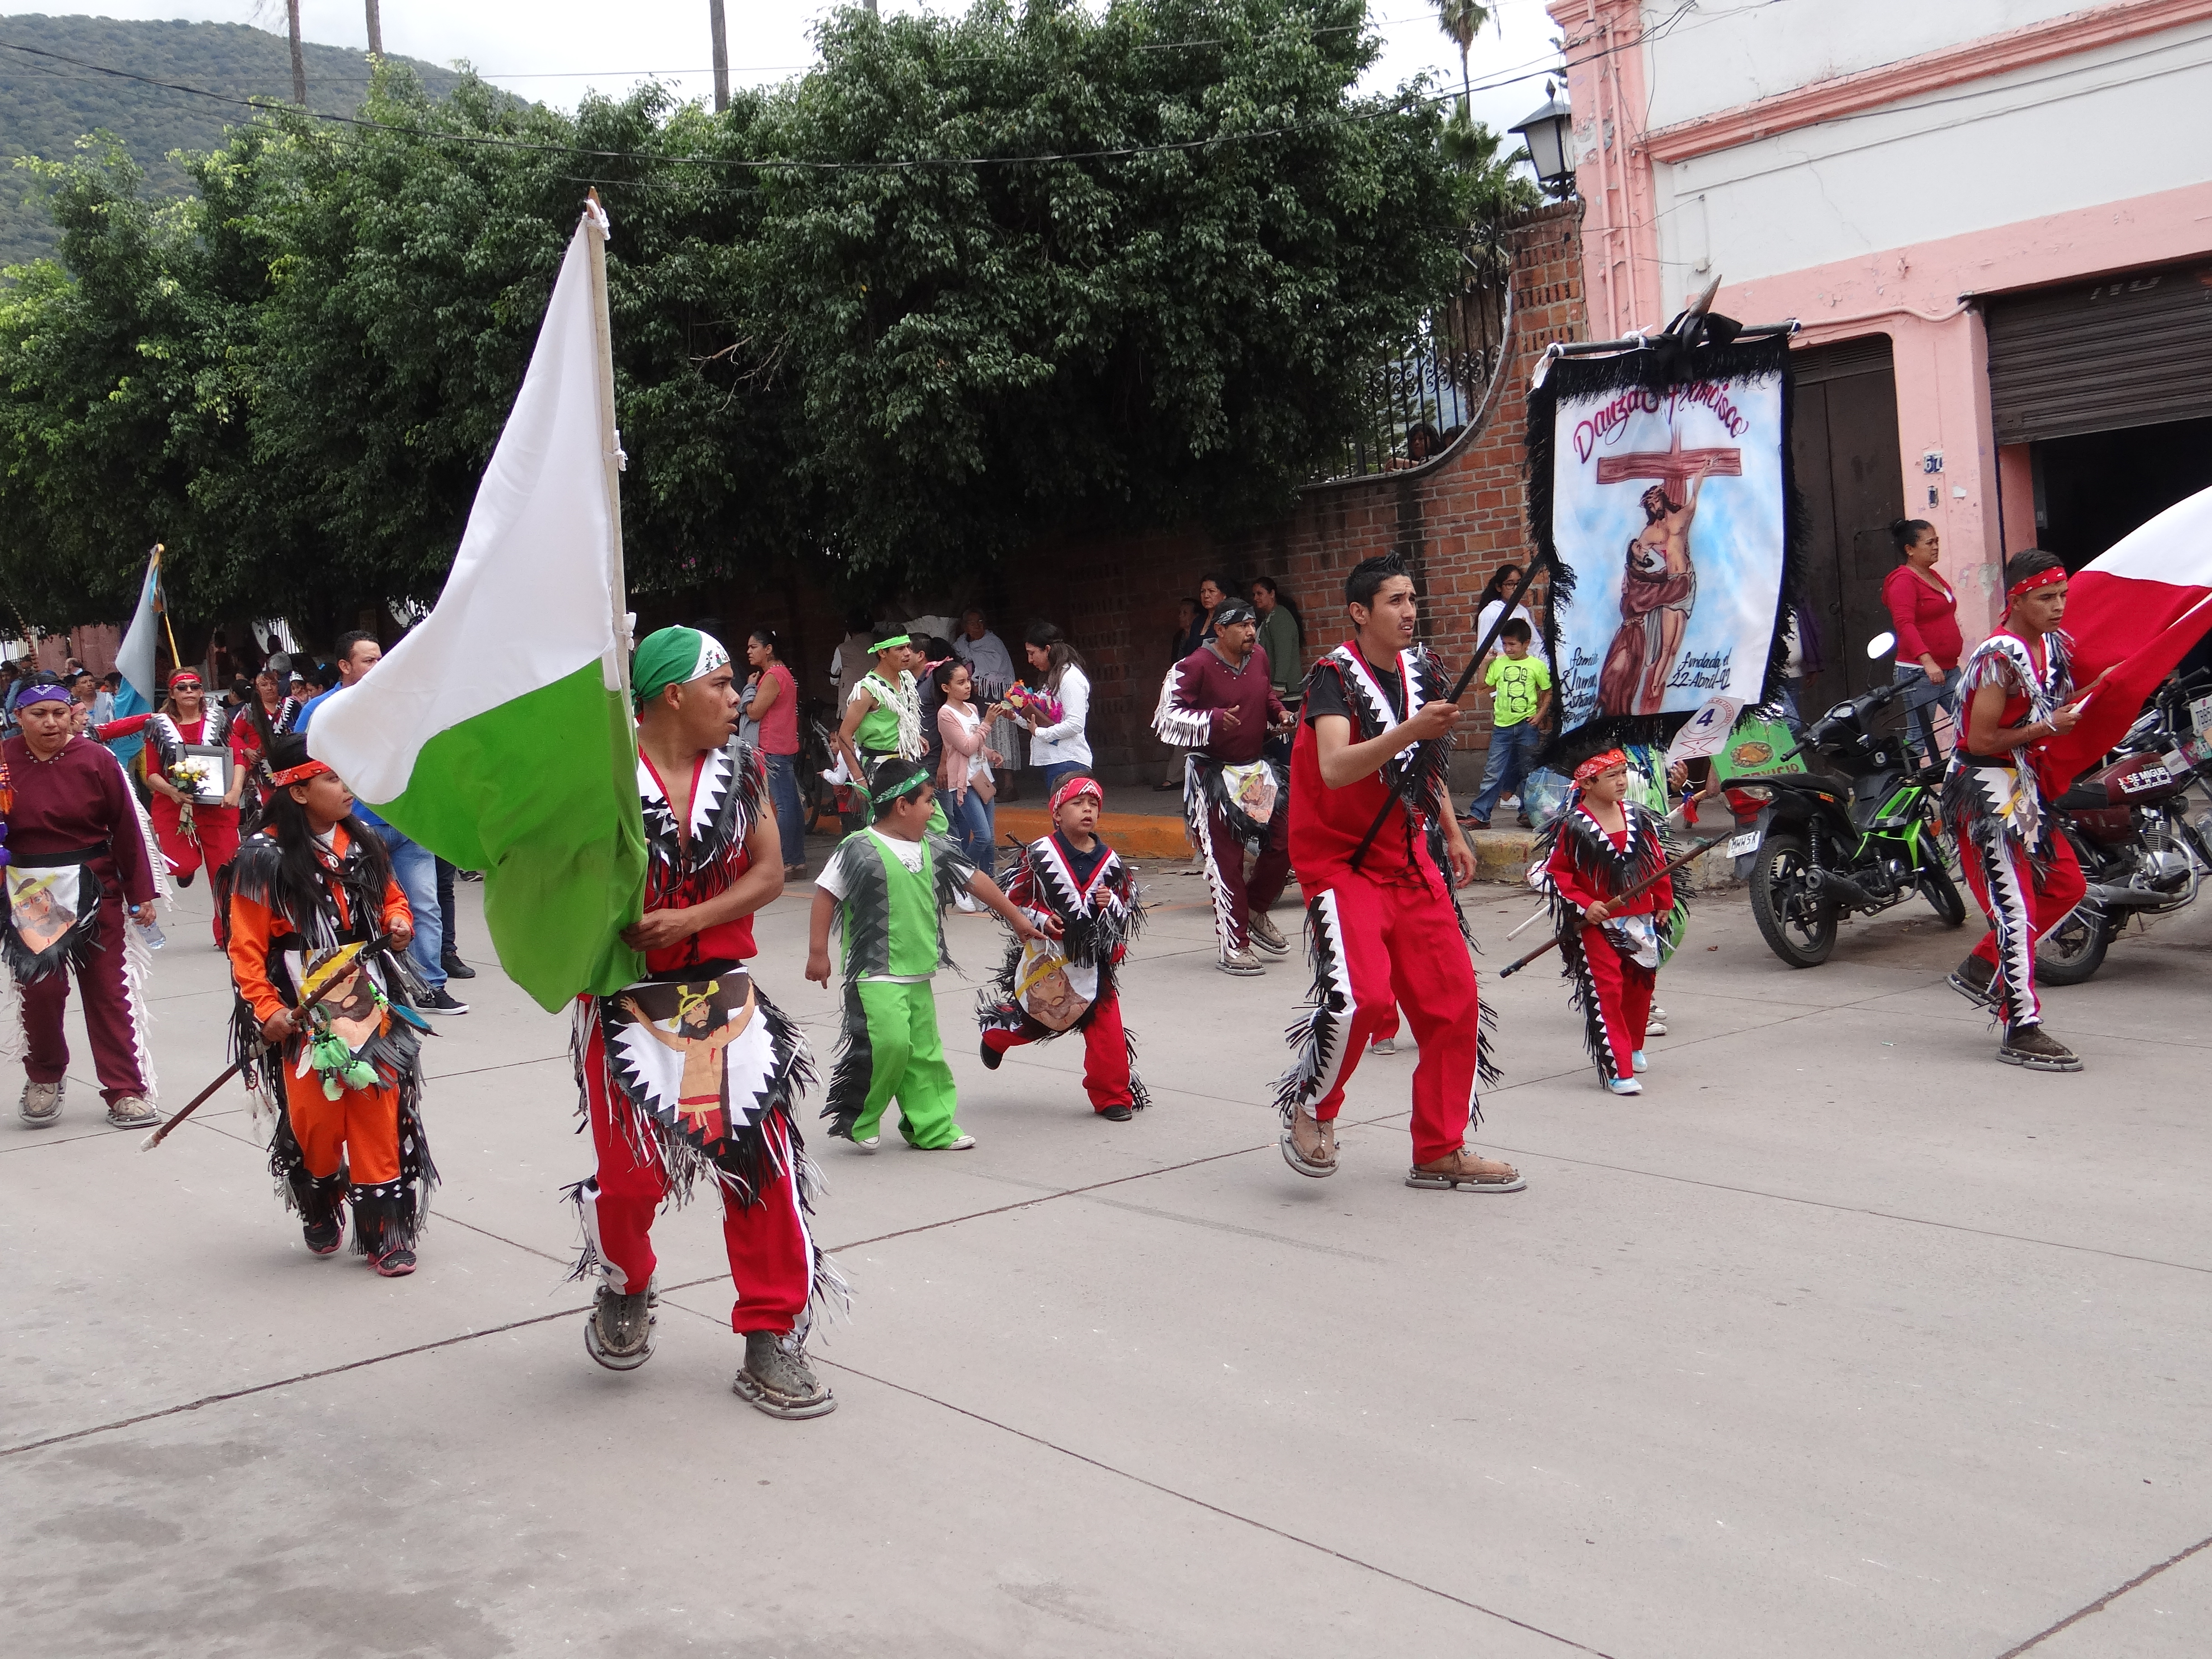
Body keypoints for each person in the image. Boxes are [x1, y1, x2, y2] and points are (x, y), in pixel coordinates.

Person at [572, 625, 839, 1417]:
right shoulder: (605, 775)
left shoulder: (745, 767)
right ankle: (626, 1280)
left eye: (735, 683)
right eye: (722, 685)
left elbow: (765, 874)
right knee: (632, 1176)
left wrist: (690, 923)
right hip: (624, 998)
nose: (737, 697)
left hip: (720, 989)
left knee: (763, 1166)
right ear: (671, 696)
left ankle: (771, 1333)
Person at [1274, 556, 1522, 1194]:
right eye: (1395, 601)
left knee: (1454, 1002)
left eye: (1413, 598)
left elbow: (1423, 762)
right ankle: (1313, 1106)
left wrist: (1448, 826)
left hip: (1408, 857)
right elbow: (1334, 767)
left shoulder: (1424, 670)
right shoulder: (1332, 678)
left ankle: (1439, 1148)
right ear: (1361, 613)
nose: (1410, 611)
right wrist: (1412, 729)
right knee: (1363, 998)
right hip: (1341, 862)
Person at [225, 734, 435, 1274]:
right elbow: (246, 946)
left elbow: (392, 896)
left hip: (368, 998)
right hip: (302, 1007)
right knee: (316, 1122)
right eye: (334, 779)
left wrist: (398, 923)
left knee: (376, 1106)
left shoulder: (361, 840)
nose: (348, 789)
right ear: (297, 791)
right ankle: (319, 1195)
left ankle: (386, 1230)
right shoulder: (261, 856)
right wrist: (266, 1008)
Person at [808, 757, 1044, 1153]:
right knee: (889, 1045)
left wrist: (1017, 919)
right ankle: (860, 1116)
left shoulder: (934, 848)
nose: (935, 809)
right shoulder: (859, 847)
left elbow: (977, 880)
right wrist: (818, 952)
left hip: (918, 970)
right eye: (929, 802)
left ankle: (931, 1127)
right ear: (902, 806)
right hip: (874, 972)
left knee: (925, 1054)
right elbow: (826, 895)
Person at [1941, 550, 2095, 1073]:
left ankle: (1983, 965)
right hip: (1984, 789)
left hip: (2021, 789)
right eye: (2047, 598)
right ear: (2018, 598)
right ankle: (2021, 1026)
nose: (2058, 608)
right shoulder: (1999, 657)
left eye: (2063, 597)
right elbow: (1981, 740)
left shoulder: (2050, 646)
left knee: (2066, 884)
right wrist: (2047, 729)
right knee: (2017, 908)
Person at [2, 674, 161, 1129]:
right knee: (42, 990)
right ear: (19, 718)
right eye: (38, 715)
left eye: (59, 713)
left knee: (109, 991)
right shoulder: (4, 761)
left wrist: (140, 892)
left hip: (94, 885)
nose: (51, 723)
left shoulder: (96, 759)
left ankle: (125, 1089)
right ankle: (45, 1077)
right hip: (33, 892)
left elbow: (127, 828)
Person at [296, 633, 464, 1014]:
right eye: (368, 660)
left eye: (379, 659)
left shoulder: (399, 706)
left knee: (424, 904)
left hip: (408, 825)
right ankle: (370, 985)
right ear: (345, 666)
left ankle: (430, 985)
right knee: (356, 911)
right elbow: (300, 770)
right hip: (353, 830)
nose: (378, 666)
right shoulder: (320, 711)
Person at [977, 773, 1146, 1120]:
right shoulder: (1040, 855)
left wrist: (1110, 902)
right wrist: (1040, 919)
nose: (1087, 810)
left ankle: (1112, 1095)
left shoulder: (1111, 862)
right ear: (1056, 813)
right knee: (1035, 1023)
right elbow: (1013, 897)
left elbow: (1128, 908)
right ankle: (996, 1035)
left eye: (1094, 804)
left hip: (1094, 966)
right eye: (1077, 803)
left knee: (1108, 1034)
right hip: (1050, 963)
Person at [1153, 598, 1295, 974]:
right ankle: (1234, 946)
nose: (1251, 632)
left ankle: (1256, 909)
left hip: (1254, 770)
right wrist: (1213, 720)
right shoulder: (1195, 665)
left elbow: (1264, 693)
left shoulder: (1259, 657)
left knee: (1285, 841)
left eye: (1253, 625)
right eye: (1242, 625)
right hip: (1212, 774)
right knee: (1226, 861)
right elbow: (1167, 717)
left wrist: (1278, 713)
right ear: (1220, 630)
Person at [1536, 750, 1675, 1096]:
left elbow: (1657, 862)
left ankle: (1634, 1044)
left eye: (1623, 772)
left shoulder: (1640, 818)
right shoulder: (1572, 826)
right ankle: (1620, 1069)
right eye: (1611, 775)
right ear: (1586, 782)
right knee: (1607, 991)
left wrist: (1663, 900)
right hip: (1598, 925)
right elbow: (1556, 873)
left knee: (1641, 986)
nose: (1621, 781)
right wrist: (1586, 904)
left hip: (1641, 918)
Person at [143, 669, 246, 935]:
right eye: (182, 688)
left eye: (194, 687)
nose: (189, 691)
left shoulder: (220, 721)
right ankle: (185, 873)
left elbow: (237, 759)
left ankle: (227, 933)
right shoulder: (159, 726)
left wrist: (235, 791)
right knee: (183, 864)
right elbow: (151, 774)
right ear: (172, 694)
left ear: (202, 692)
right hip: (173, 806)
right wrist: (172, 791)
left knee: (224, 872)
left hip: (217, 808)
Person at [1884, 518, 1964, 767]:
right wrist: (1927, 661)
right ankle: (1905, 787)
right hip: (1920, 674)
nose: (1936, 547)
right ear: (1910, 549)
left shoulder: (1931, 575)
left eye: (1937, 541)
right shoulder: (1903, 581)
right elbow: (1905, 624)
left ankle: (1965, 777)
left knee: (1971, 722)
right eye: (1929, 543)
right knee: (1919, 736)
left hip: (1949, 669)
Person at [1462, 619, 1552, 830]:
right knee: (1493, 771)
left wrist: (1540, 715)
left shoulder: (1536, 666)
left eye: (1513, 644)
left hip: (1527, 726)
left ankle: (1528, 813)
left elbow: (1548, 691)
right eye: (1505, 644)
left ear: (1526, 643)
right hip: (1502, 727)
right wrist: (1485, 663)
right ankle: (1480, 815)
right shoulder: (1499, 664)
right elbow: (1483, 685)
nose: (1508, 649)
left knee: (1528, 771)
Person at [745, 628, 806, 878]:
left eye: (753, 647)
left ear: (768, 649)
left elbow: (755, 712)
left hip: (772, 747)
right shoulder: (784, 673)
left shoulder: (771, 676)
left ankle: (787, 860)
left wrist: (749, 690)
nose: (749, 651)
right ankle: (797, 860)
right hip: (784, 745)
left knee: (784, 805)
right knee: (791, 803)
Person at [1008, 623, 1092, 795]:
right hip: (1057, 761)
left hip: (1069, 761)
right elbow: (1042, 723)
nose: (1030, 660)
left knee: (1068, 820)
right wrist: (1014, 716)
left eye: (1032, 653)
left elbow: (1076, 724)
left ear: (1047, 649)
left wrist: (1040, 733)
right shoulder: (1054, 678)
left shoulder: (1070, 678)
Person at [934, 659, 1000, 874]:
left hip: (982, 777)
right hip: (964, 782)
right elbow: (966, 747)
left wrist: (991, 754)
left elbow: (977, 743)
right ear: (946, 688)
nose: (967, 686)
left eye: (968, 681)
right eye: (961, 683)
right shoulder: (945, 714)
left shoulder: (971, 708)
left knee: (990, 840)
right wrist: (988, 723)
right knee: (982, 836)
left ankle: (990, 885)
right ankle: (961, 875)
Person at [952, 607, 1025, 800]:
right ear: (964, 627)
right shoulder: (962, 645)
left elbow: (999, 672)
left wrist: (980, 682)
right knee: (986, 742)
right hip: (977, 701)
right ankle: (994, 788)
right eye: (971, 623)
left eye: (980, 622)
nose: (976, 626)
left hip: (997, 698)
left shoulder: (993, 643)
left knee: (1003, 741)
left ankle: (1009, 787)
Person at [1250, 576, 1306, 710]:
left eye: (1260, 594)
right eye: (1254, 595)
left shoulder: (1280, 617)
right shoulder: (1270, 618)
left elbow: (1283, 653)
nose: (1256, 598)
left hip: (1286, 692)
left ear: (1272, 594)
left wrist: (1279, 686)